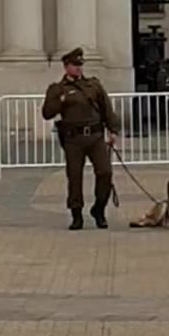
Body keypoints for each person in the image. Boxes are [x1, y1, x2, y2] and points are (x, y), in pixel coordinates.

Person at [42, 48, 121, 230]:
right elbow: (47, 113)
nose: (78, 68)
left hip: (95, 136)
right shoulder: (57, 89)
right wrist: (60, 100)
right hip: (73, 139)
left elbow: (106, 108)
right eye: (74, 65)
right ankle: (76, 214)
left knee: (105, 172)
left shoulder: (93, 85)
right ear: (66, 66)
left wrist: (113, 129)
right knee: (74, 177)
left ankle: (99, 209)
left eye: (80, 65)